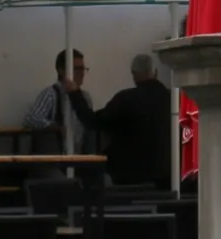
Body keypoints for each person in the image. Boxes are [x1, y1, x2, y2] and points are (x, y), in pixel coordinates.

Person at [96, 53, 175, 190]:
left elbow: (95, 121)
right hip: (169, 176)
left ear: (134, 74)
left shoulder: (126, 99)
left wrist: (75, 95)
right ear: (155, 72)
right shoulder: (174, 101)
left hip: (131, 179)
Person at [19, 49, 96, 154]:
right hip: (55, 158)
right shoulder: (51, 94)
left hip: (79, 157)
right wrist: (54, 127)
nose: (82, 73)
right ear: (61, 70)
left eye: (83, 69)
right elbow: (30, 120)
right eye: (77, 69)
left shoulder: (85, 97)